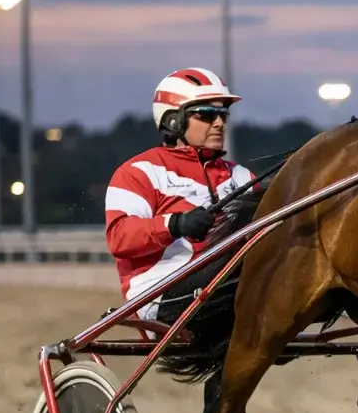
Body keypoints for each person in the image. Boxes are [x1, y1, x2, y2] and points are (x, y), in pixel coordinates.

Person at [104, 67, 255, 322]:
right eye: (207, 115)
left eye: (223, 115)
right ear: (174, 120)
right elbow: (120, 237)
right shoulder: (139, 172)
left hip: (226, 285)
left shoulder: (243, 177)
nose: (219, 123)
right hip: (159, 295)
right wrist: (176, 224)